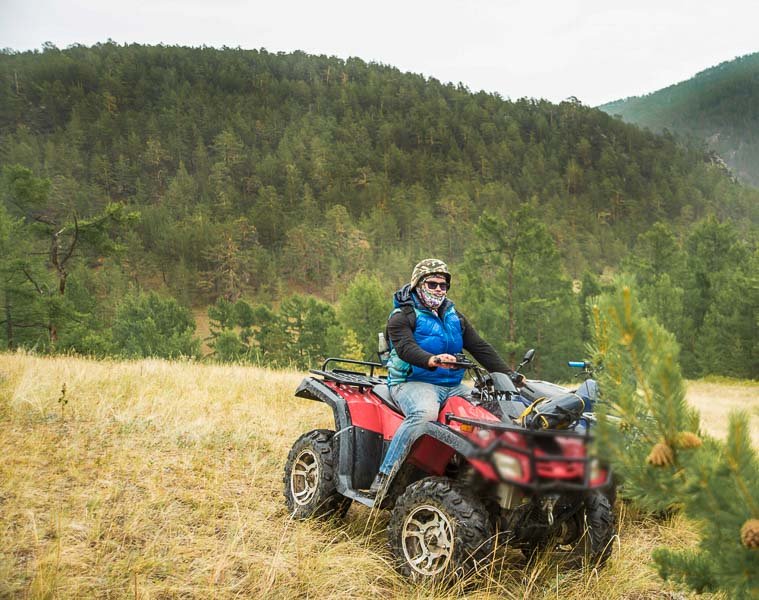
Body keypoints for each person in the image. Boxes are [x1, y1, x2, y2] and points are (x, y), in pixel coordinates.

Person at [368, 258, 520, 497]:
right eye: (432, 284)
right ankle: (386, 475)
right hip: (412, 382)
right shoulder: (402, 315)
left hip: (453, 385)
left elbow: (479, 346)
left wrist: (509, 375)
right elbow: (406, 348)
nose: (439, 289)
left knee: (490, 412)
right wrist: (432, 360)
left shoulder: (453, 316)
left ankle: (487, 476)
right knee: (424, 414)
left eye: (443, 285)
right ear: (418, 284)